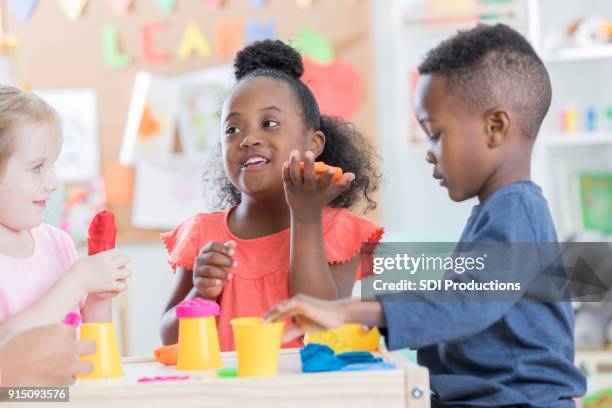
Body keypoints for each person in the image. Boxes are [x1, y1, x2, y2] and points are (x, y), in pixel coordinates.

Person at [265, 24, 586, 408]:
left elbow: (465, 301)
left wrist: (348, 310)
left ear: (495, 127)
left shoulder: (517, 209)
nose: (430, 152)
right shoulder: (501, 209)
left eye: (436, 134)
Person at [160, 40, 383, 351]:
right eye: (232, 129)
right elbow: (170, 340)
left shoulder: (338, 231)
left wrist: (306, 217)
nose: (249, 139)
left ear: (314, 145)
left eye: (270, 123)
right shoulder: (202, 234)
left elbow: (321, 326)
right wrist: (201, 294)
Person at [0, 86, 131, 341]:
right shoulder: (74, 276)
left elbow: (92, 342)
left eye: (52, 165)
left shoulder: (58, 243)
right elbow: (7, 342)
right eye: (37, 167)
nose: (53, 182)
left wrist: (98, 293)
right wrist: (78, 281)